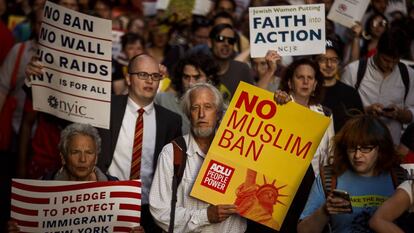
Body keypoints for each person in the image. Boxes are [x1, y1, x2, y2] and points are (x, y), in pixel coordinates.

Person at [7, 122, 145, 233]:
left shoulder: (117, 189)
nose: (83, 159)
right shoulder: (40, 188)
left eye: (89, 152)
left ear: (96, 158)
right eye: (75, 152)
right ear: (63, 157)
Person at [98, 54, 182, 233]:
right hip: (105, 203)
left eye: (155, 76)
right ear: (128, 78)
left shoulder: (171, 121)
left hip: (149, 211)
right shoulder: (106, 107)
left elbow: (173, 172)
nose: (150, 81)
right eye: (143, 75)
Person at [149, 83, 246, 232]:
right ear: (188, 114)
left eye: (208, 107)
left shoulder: (241, 150)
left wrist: (284, 105)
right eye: (195, 108)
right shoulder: (172, 153)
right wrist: (205, 216)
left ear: (218, 113)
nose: (201, 114)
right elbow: (159, 211)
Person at [297, 115, 401, 233]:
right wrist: (324, 210)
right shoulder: (329, 177)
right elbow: (303, 230)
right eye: (352, 148)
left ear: (380, 148)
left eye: (365, 148)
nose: (357, 155)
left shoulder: (398, 178)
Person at [342, 28, 414, 145]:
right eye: (386, 60)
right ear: (377, 50)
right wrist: (365, 111)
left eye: (395, 61)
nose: (390, 65)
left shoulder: (409, 75)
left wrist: (400, 114)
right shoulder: (353, 71)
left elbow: (412, 112)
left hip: (392, 147)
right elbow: (341, 109)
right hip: (359, 144)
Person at [155, 53, 220, 134]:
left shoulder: (218, 107)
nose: (190, 83)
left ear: (210, 79)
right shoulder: (163, 99)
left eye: (196, 77)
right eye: (186, 77)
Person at [317, 39, 364, 132]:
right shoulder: (307, 92)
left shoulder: (351, 94)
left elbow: (360, 128)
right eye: (323, 60)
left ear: (339, 63)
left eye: (334, 60)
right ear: (314, 62)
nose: (329, 64)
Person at [209, 24, 254, 98]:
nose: (226, 43)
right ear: (210, 42)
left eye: (231, 41)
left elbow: (252, 99)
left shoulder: (242, 69)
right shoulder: (200, 68)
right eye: (220, 39)